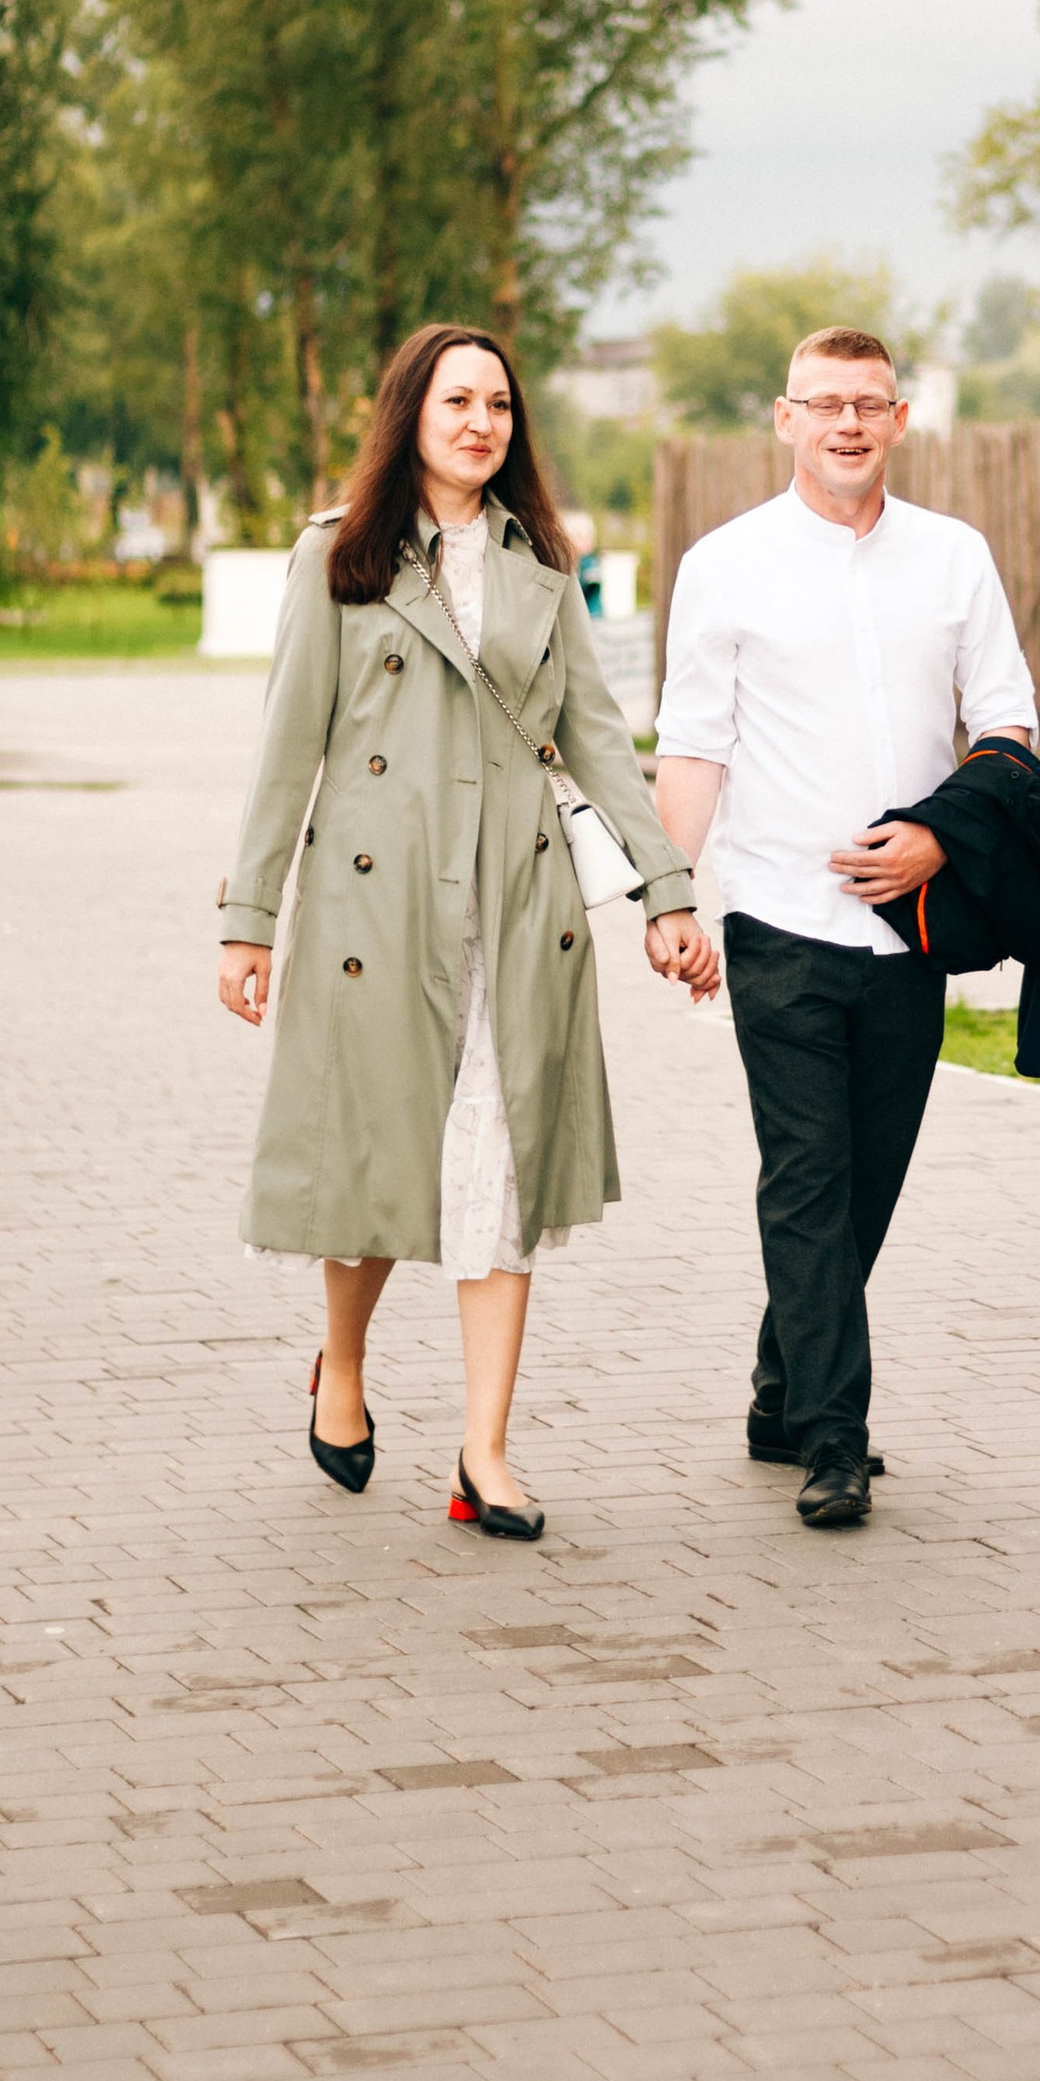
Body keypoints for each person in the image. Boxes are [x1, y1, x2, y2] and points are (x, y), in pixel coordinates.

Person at [219, 322, 720, 1541]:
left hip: (516, 908)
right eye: (458, 400)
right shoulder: (338, 558)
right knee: (379, 1169)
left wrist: (668, 891)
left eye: (500, 403)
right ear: (411, 414)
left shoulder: (542, 566)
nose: (482, 422)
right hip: (374, 910)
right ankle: (342, 1366)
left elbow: (597, 737)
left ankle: (485, 1451)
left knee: (496, 1172)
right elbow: (289, 748)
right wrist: (249, 921)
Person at [652, 322, 1037, 1531]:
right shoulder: (724, 565)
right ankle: (834, 1440)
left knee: (864, 1187)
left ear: (900, 420)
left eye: (868, 403)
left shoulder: (955, 560)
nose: (848, 425)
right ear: (785, 419)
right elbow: (695, 745)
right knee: (807, 1181)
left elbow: (1010, 731)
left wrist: (937, 833)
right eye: (824, 404)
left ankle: (781, 1392)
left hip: (912, 932)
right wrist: (671, 893)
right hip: (777, 923)